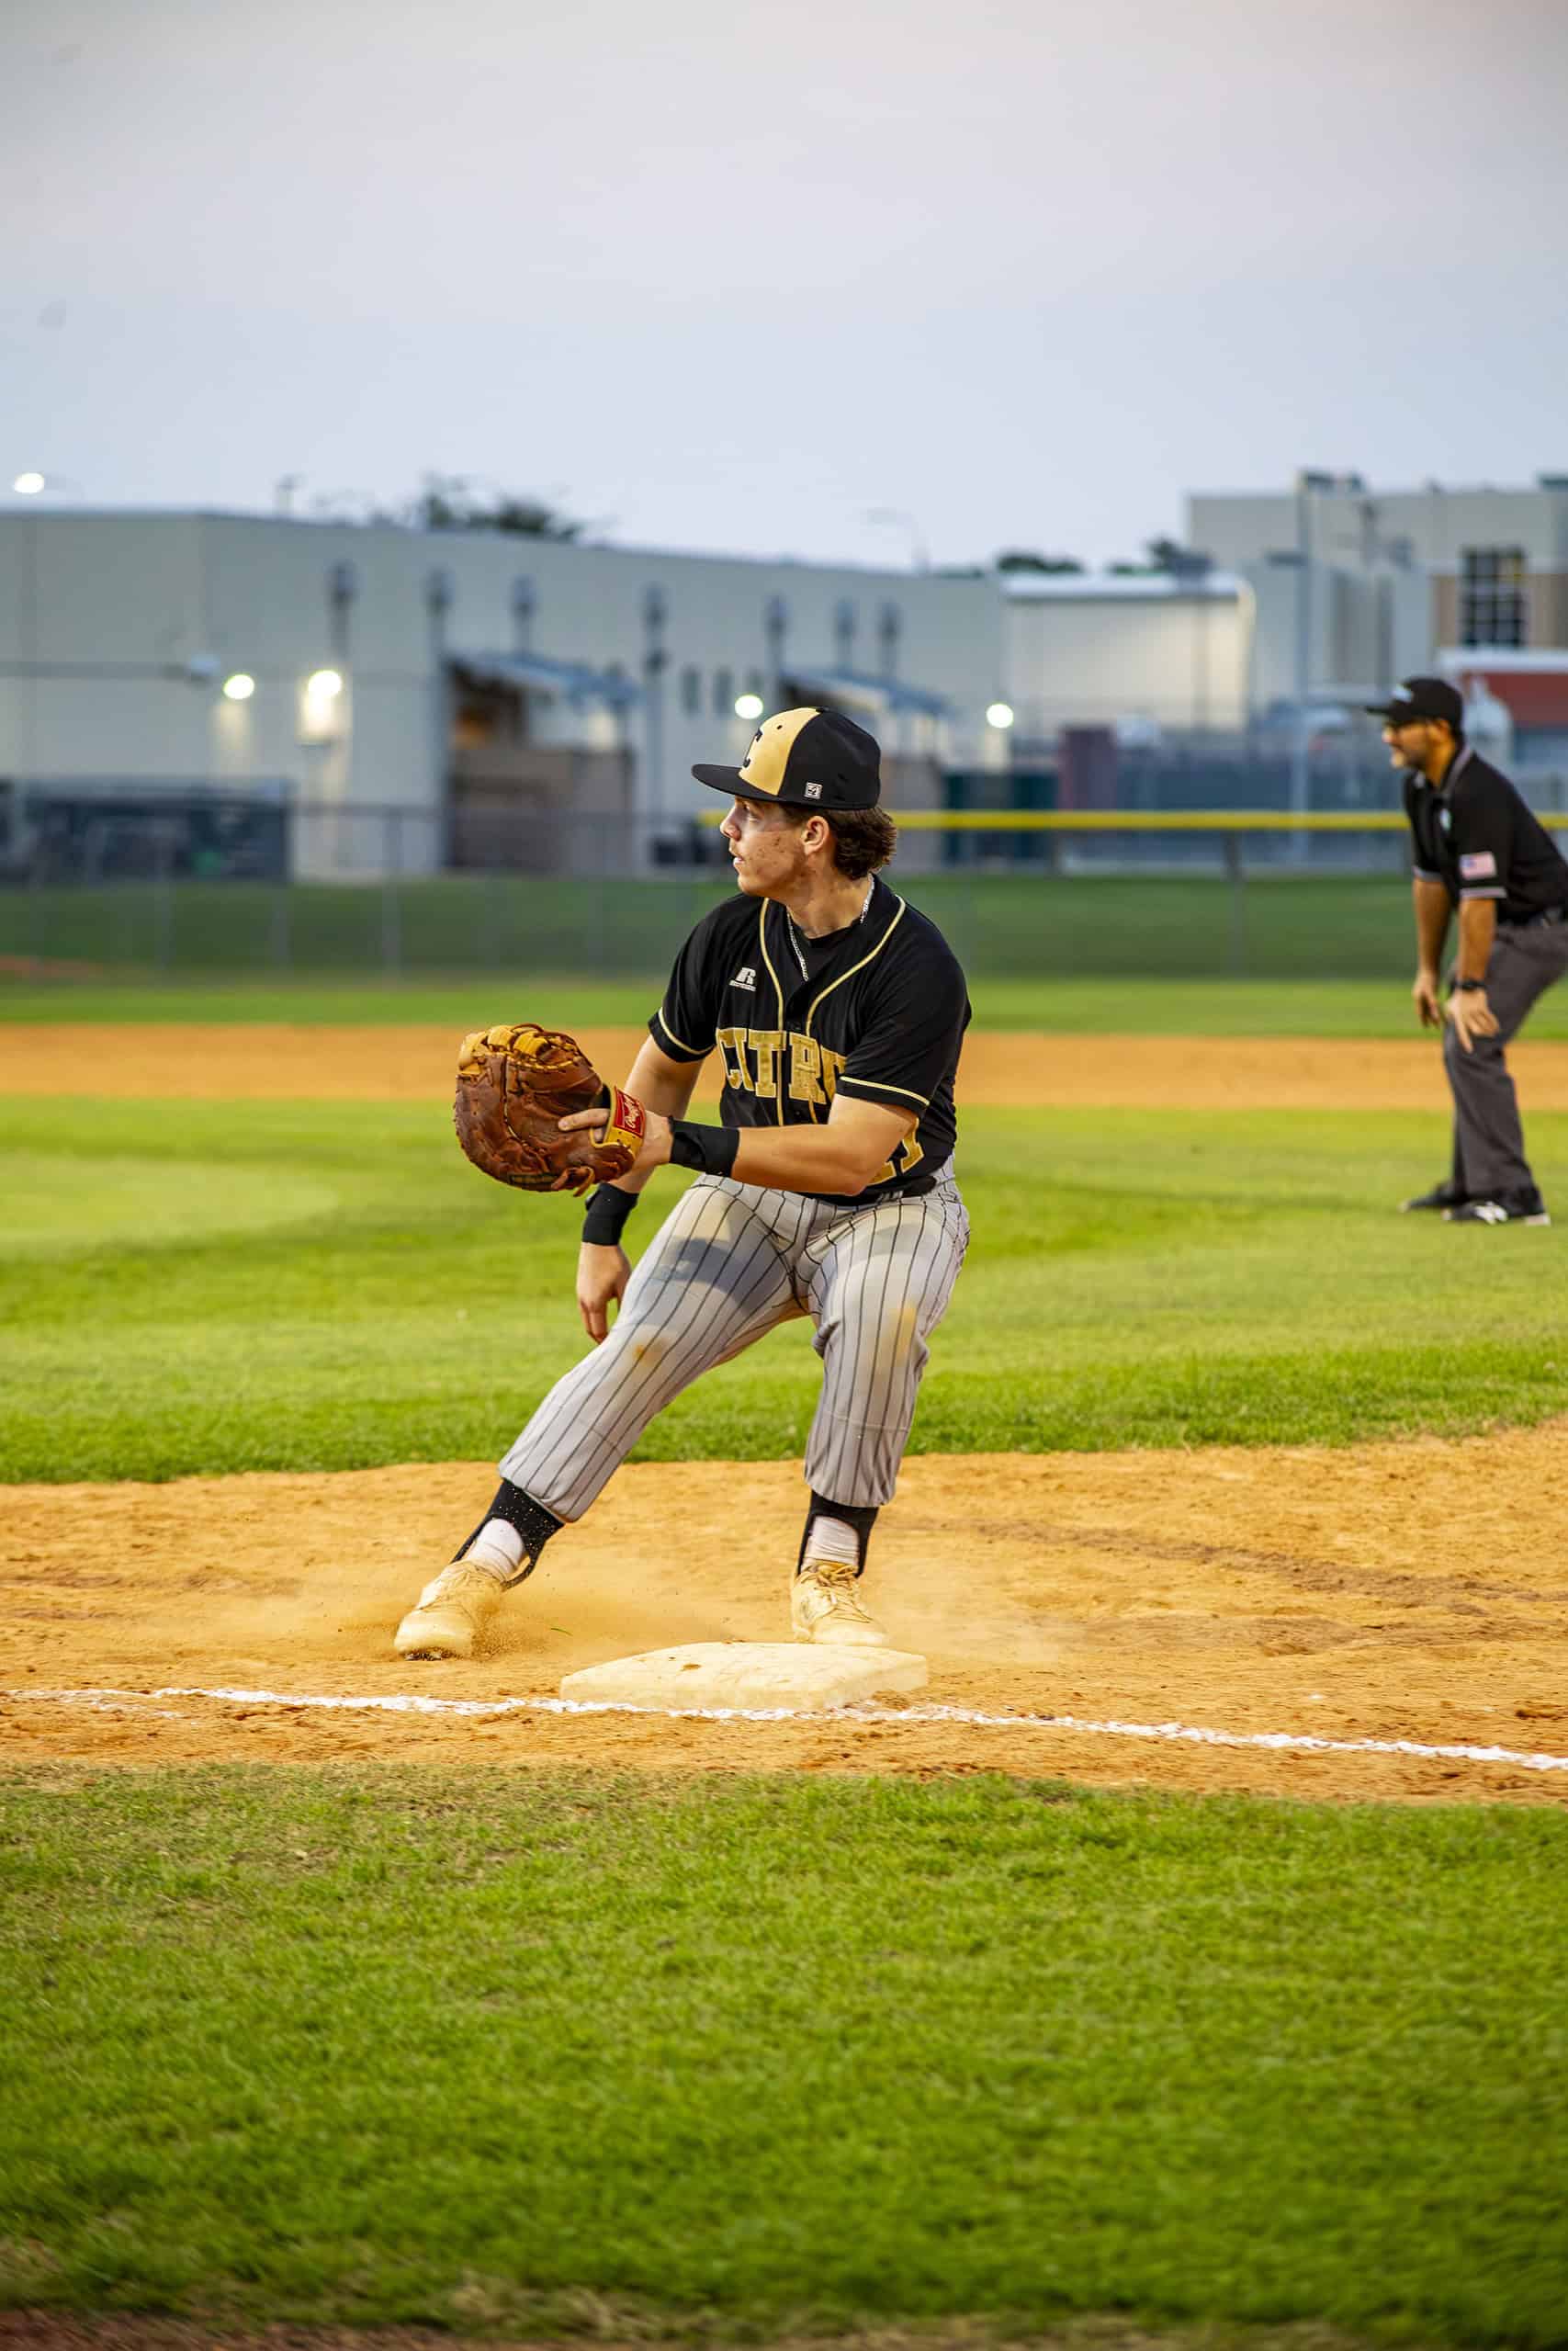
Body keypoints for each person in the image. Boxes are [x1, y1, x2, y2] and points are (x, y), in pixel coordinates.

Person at [394, 706, 972, 1659]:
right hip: (747, 1202)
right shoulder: (728, 937)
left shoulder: (915, 967)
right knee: (640, 1345)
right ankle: (478, 1566)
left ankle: (827, 1577)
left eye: (749, 811)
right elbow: (656, 1081)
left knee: (883, 1317)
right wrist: (603, 1225)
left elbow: (851, 1156)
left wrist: (671, 1143)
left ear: (814, 834)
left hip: (889, 1212)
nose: (728, 829)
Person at [1370, 674, 1568, 1226]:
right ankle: (1472, 1182)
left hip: (1542, 927)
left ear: (1438, 730)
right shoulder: (1422, 789)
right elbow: (1431, 884)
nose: (1388, 736)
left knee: (1474, 1042)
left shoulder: (1476, 791)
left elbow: (1480, 901)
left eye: (1399, 725)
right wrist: (1429, 972)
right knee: (1462, 1042)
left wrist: (1472, 986)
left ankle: (1514, 1194)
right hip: (1507, 927)